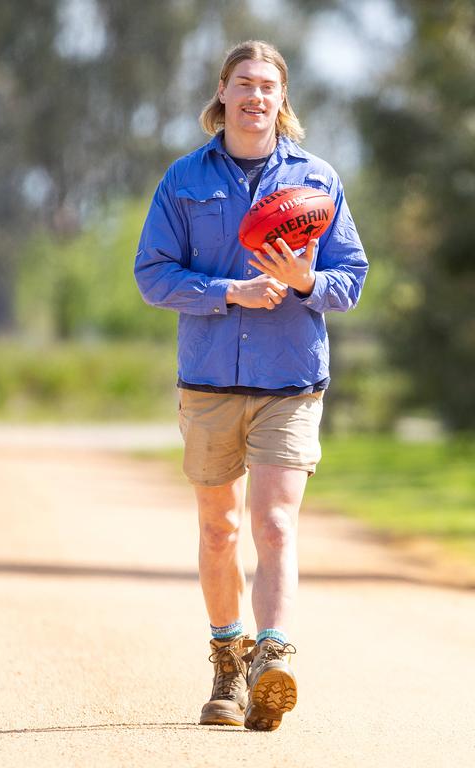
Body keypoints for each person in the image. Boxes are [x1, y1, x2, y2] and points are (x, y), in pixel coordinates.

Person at [134, 40, 367, 731]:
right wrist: (229, 290)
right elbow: (153, 274)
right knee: (218, 530)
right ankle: (226, 664)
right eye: (244, 84)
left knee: (273, 523)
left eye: (268, 85)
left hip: (290, 380)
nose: (256, 96)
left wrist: (306, 282)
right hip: (208, 381)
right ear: (223, 94)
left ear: (282, 98)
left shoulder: (318, 180)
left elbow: (350, 278)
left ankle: (273, 656)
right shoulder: (183, 180)